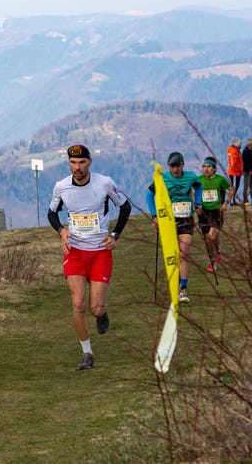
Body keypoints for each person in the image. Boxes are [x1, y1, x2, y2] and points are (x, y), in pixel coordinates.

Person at [47, 144, 131, 371]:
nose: (78, 167)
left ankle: (101, 313)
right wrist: (61, 231)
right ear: (69, 163)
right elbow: (52, 213)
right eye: (73, 163)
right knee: (78, 303)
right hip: (74, 252)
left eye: (82, 162)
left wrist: (115, 234)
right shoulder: (61, 187)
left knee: (95, 308)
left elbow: (125, 207)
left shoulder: (104, 183)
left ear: (89, 163)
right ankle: (87, 353)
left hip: (100, 252)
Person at [146, 152, 202, 304]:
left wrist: (198, 203)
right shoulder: (162, 178)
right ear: (168, 166)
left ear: (183, 165)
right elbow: (149, 195)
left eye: (178, 166)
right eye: (172, 166)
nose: (175, 169)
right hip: (168, 220)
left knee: (183, 253)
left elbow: (198, 187)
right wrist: (154, 216)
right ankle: (174, 283)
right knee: (173, 255)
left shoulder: (191, 177)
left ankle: (183, 289)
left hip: (186, 219)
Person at [198, 156, 234, 272]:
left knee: (212, 236)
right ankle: (217, 251)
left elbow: (231, 189)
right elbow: (192, 192)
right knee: (208, 238)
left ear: (214, 169)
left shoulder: (220, 180)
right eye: (204, 166)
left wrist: (226, 203)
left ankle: (212, 262)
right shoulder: (199, 180)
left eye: (209, 166)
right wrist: (196, 205)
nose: (206, 169)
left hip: (216, 211)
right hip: (204, 212)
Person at [227, 137, 243, 206]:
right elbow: (233, 163)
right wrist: (239, 170)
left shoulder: (233, 150)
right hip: (235, 172)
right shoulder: (234, 151)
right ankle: (232, 201)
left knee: (233, 187)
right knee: (234, 187)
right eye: (239, 144)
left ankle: (232, 200)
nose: (240, 145)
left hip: (233, 171)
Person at [242, 138, 252, 205]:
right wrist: (249, 170)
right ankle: (245, 199)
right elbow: (245, 163)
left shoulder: (250, 151)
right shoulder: (246, 152)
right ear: (249, 145)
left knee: (251, 185)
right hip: (246, 171)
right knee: (246, 185)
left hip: (250, 170)